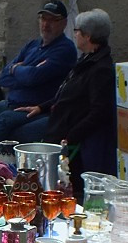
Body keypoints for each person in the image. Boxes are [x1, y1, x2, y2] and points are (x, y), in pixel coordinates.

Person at [0, 0, 78, 151]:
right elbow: (4, 78)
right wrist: (27, 72)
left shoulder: (65, 49)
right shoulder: (33, 45)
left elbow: (33, 77)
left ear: (64, 23)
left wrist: (17, 70)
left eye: (52, 20)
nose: (46, 24)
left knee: (2, 121)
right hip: (10, 102)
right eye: (43, 19)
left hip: (33, 108)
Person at [44, 9, 117, 179]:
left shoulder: (100, 69)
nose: (74, 35)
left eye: (76, 31)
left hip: (71, 138)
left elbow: (99, 112)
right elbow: (67, 92)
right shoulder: (86, 60)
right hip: (59, 125)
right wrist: (41, 107)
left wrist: (71, 137)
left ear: (88, 36)